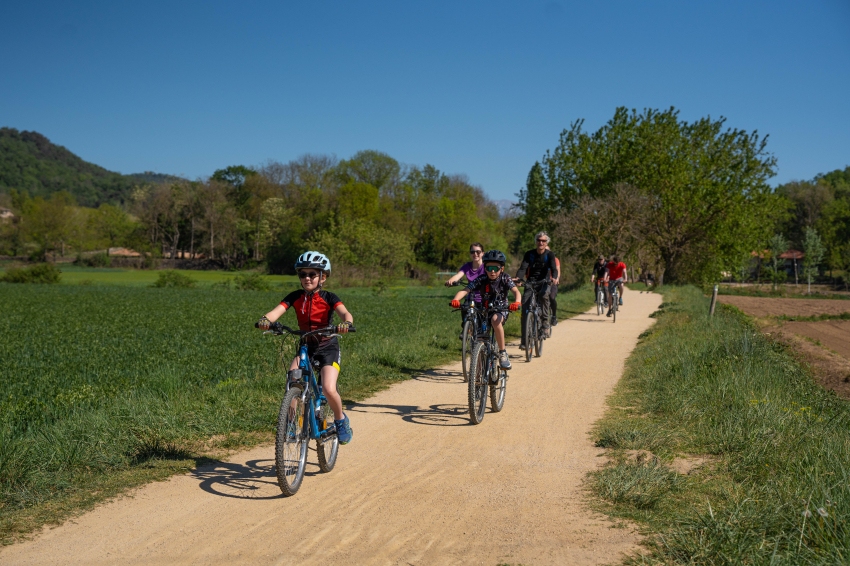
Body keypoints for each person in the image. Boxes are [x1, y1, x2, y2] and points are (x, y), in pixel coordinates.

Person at [256, 251, 355, 444]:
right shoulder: (295, 297)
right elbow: (277, 311)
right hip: (306, 348)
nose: (307, 278)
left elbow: (345, 313)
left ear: (323, 277)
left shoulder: (329, 297)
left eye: (312, 274)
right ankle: (292, 424)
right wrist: (266, 320)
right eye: (303, 274)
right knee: (292, 380)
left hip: (328, 348)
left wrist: (347, 324)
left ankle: (341, 420)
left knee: (328, 387)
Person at [450, 250, 520, 370]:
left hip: (500, 309)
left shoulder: (505, 278)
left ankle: (503, 353)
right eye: (489, 268)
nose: (492, 271)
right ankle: (477, 373)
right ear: (485, 268)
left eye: (496, 268)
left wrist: (517, 302)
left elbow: (516, 291)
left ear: (502, 269)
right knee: (479, 339)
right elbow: (466, 289)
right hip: (484, 310)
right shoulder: (481, 279)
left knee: (495, 320)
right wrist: (456, 299)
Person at [515, 231, 558, 350]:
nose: (541, 242)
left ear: (546, 243)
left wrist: (554, 278)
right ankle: (524, 341)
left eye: (543, 241)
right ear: (536, 241)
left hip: (544, 281)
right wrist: (519, 278)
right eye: (539, 240)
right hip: (530, 282)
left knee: (544, 295)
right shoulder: (529, 254)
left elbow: (554, 268)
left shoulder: (550, 255)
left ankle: (545, 321)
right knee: (525, 309)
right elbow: (523, 268)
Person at [445, 243, 486, 335]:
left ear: (483, 253)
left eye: (478, 252)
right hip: (470, 296)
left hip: (483, 298)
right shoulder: (467, 266)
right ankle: (466, 328)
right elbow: (458, 275)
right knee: (465, 309)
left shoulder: (486, 267)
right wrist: (450, 281)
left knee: (482, 325)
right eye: (472, 252)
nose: (475, 254)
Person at [544, 244, 561, 326]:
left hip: (552, 281)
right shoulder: (540, 259)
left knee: (551, 297)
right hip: (542, 281)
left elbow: (557, 269)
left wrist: (556, 278)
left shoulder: (555, 259)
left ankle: (554, 316)